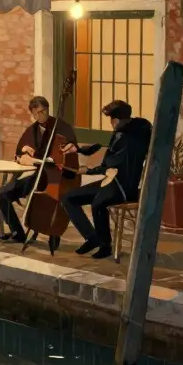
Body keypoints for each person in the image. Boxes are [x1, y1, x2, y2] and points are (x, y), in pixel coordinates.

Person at [61, 100, 152, 260]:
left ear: (116, 119)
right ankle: (92, 238)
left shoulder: (125, 137)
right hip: (113, 181)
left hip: (124, 187)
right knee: (69, 198)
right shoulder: (133, 130)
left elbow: (110, 165)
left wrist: (88, 170)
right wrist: (83, 152)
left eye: (111, 119)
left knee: (98, 203)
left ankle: (105, 245)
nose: (111, 123)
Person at [0, 96, 78, 245]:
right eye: (36, 113)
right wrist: (24, 155)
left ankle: (53, 232)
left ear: (48, 109)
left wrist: (36, 160)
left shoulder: (62, 127)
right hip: (37, 175)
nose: (40, 116)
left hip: (57, 176)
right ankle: (17, 232)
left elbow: (64, 157)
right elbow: (20, 152)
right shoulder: (33, 129)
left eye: (43, 111)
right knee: (2, 195)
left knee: (48, 198)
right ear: (32, 114)